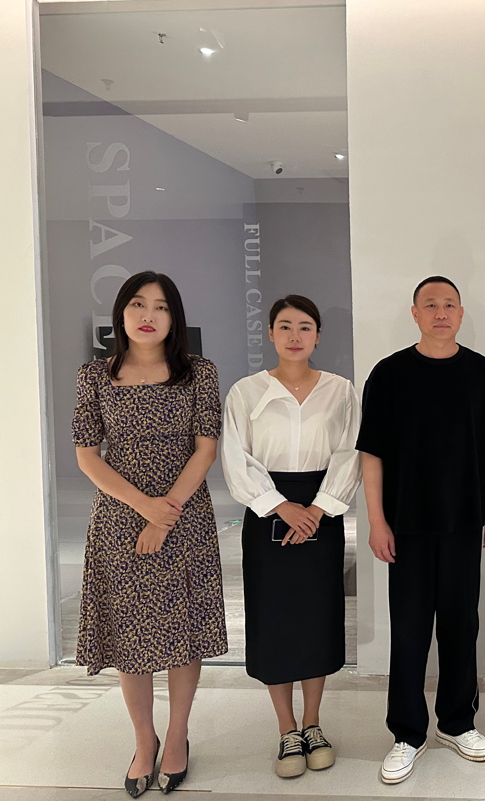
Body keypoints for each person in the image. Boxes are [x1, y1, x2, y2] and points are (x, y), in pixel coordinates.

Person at [72, 271, 227, 797]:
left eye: (161, 307)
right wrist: (144, 508)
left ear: (174, 318)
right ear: (121, 313)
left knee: (183, 628)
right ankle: (145, 739)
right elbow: (87, 455)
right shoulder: (94, 376)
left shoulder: (199, 372)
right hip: (119, 519)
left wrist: (166, 514)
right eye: (138, 304)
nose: (148, 315)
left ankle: (178, 735)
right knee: (129, 633)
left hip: (185, 517)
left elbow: (206, 449)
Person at [357, 276, 485, 785]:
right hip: (406, 526)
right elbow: (372, 454)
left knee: (461, 626)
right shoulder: (389, 374)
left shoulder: (483, 373)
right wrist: (376, 520)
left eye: (449, 305)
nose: (440, 313)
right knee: (410, 629)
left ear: (461, 314)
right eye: (431, 305)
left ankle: (457, 722)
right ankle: (407, 732)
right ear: (415, 313)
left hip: (465, 523)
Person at [222, 295, 361, 779]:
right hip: (267, 510)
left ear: (318, 335)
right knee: (274, 617)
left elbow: (350, 453)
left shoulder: (341, 390)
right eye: (284, 326)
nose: (295, 335)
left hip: (322, 506)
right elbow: (236, 458)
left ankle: (313, 724)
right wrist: (280, 505)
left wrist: (317, 509)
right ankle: (286, 729)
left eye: (305, 327)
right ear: (270, 333)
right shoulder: (245, 392)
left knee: (317, 615)